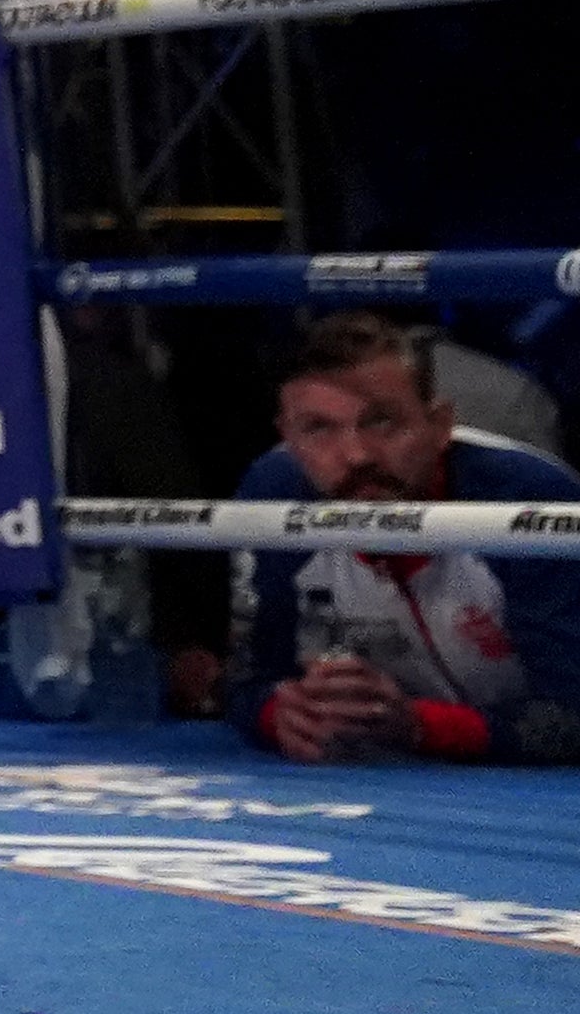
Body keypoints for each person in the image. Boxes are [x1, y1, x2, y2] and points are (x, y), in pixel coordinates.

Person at [230, 314, 580, 766]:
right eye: (318, 428)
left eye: (382, 422)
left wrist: (420, 725)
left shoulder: (530, 501)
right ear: (288, 437)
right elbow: (246, 678)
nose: (355, 455)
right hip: (377, 788)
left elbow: (574, 715)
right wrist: (280, 713)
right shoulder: (273, 496)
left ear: (439, 425)